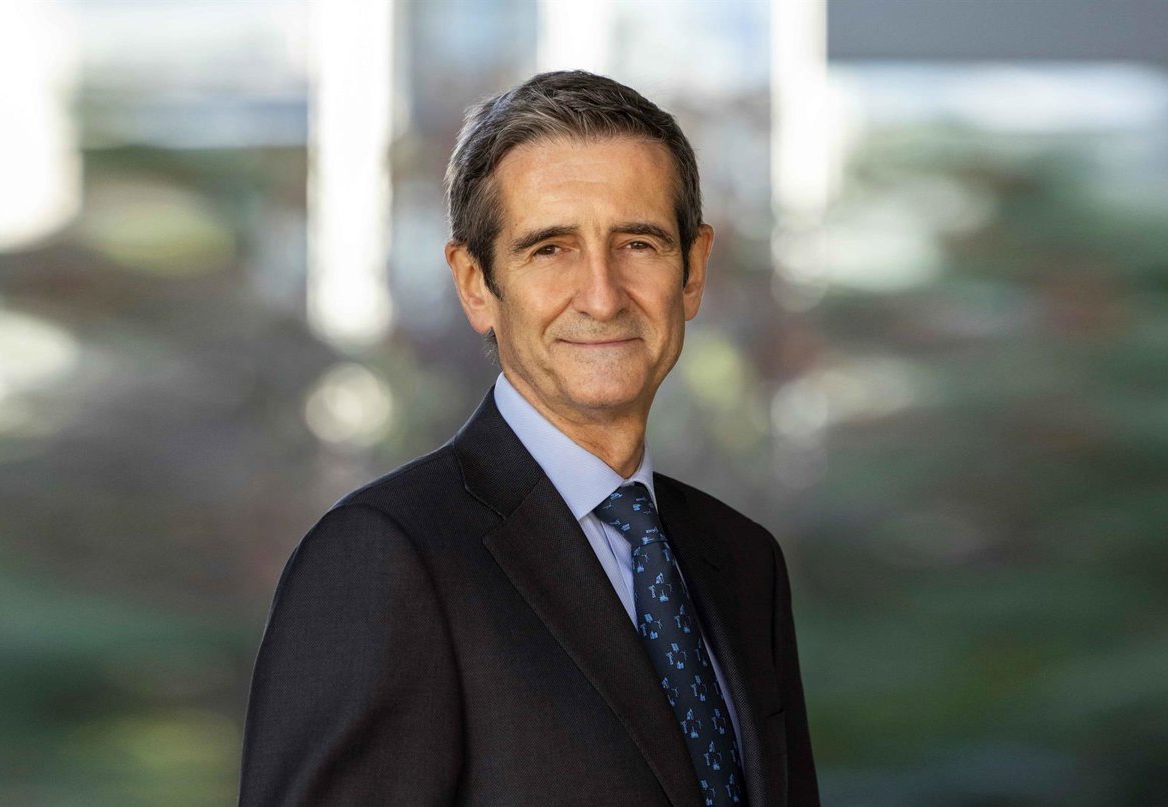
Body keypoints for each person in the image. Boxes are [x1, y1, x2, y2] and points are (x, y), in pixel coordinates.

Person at [239, 70, 819, 807]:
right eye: (550, 249)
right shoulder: (383, 558)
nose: (602, 296)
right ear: (475, 284)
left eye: (638, 243)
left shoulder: (742, 561)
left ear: (693, 269)